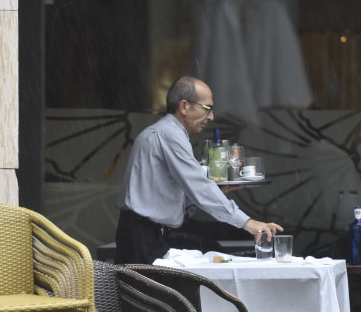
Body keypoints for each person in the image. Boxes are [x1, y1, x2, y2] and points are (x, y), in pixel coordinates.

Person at [115, 76, 283, 264]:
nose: (211, 117)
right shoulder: (169, 134)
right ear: (184, 106)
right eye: (207, 108)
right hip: (142, 236)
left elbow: (170, 193)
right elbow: (199, 186)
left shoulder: (168, 132)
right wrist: (247, 223)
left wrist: (217, 191)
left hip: (149, 234)